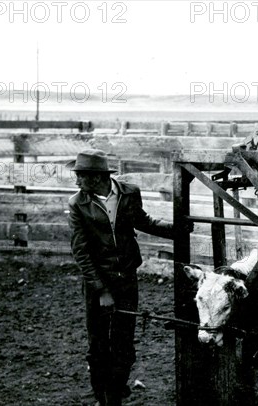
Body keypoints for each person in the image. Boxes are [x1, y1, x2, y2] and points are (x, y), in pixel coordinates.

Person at [67, 149, 181, 406]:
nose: (76, 182)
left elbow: (143, 221)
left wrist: (176, 230)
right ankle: (102, 395)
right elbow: (81, 253)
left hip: (127, 278)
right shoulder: (78, 204)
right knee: (98, 342)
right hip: (98, 282)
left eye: (80, 176)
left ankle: (115, 393)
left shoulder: (129, 193)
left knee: (124, 342)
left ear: (96, 178)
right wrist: (102, 291)